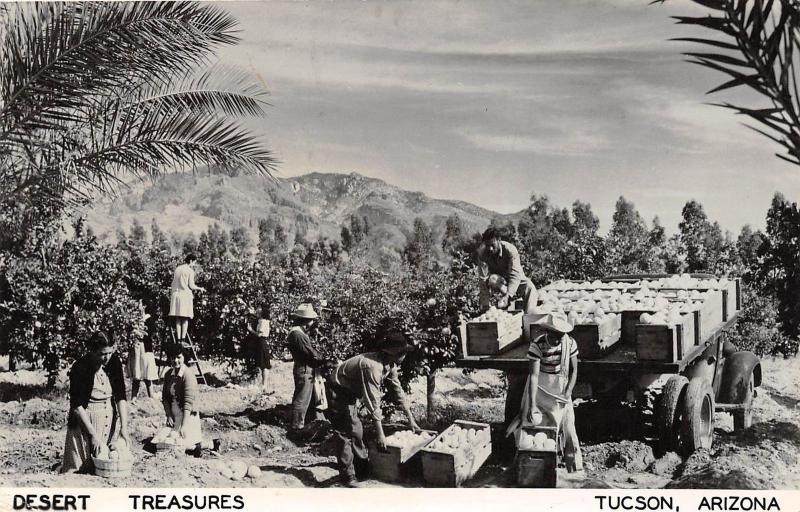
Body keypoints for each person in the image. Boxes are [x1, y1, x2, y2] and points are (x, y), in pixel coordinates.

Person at [326, 331, 422, 487]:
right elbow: (372, 401)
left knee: (356, 430)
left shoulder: (390, 365)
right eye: (403, 353)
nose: (404, 357)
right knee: (344, 432)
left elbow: (398, 392)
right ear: (394, 354)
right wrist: (381, 435)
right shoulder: (372, 367)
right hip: (337, 390)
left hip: (349, 391)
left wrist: (411, 420)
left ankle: (362, 468)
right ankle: (347, 476)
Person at [508, 312, 583, 472]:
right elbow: (534, 376)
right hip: (540, 390)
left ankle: (574, 468)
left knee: (568, 428)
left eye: (561, 334)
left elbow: (574, 370)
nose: (558, 338)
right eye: (555, 335)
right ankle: (529, 467)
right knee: (532, 427)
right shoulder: (537, 344)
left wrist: (568, 391)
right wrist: (533, 405)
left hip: (560, 391)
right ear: (548, 332)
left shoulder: (570, 343)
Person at [61, 331, 130, 474]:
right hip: (84, 425)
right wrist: (92, 436)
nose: (107, 357)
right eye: (102, 354)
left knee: (102, 465)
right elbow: (77, 406)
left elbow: (121, 396)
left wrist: (124, 427)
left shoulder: (114, 363)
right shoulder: (80, 367)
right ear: (93, 351)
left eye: (110, 352)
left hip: (106, 423)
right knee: (78, 469)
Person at [476, 227, 537, 314]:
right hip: (499, 281)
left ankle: (529, 316)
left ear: (499, 240)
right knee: (492, 279)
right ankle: (503, 304)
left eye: (492, 245)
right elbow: (483, 279)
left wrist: (508, 295)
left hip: (513, 278)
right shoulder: (483, 254)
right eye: (487, 245)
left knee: (529, 286)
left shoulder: (510, 250)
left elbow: (515, 275)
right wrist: (485, 305)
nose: (490, 248)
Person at [287, 303, 326, 432]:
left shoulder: (298, 332)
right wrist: (324, 359)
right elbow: (310, 354)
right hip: (304, 368)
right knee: (302, 398)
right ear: (306, 320)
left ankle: (300, 423)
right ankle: (296, 426)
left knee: (304, 397)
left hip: (303, 367)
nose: (313, 322)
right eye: (311, 319)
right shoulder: (298, 334)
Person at [161, 344, 203, 457]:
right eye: (173, 357)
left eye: (179, 357)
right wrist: (169, 415)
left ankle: (209, 445)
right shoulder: (168, 374)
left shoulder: (188, 375)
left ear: (184, 357)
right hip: (174, 416)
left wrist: (184, 425)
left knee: (183, 444)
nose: (175, 360)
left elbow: (188, 402)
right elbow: (165, 398)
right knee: (164, 442)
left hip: (187, 416)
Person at [168, 254, 205, 345]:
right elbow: (191, 286)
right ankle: (183, 339)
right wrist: (200, 288)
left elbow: (174, 283)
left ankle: (178, 339)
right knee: (185, 318)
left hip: (175, 295)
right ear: (191, 261)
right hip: (184, 295)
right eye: (194, 262)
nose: (194, 264)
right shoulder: (189, 271)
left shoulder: (178, 269)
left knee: (178, 318)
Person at [129, 311, 158, 400]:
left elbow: (151, 333)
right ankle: (133, 398)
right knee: (136, 375)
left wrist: (140, 334)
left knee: (147, 375)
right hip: (136, 350)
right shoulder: (133, 317)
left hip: (145, 350)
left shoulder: (148, 319)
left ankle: (151, 396)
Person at [246, 305, 272, 390]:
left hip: (261, 342)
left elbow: (259, 334)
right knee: (263, 364)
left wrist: (250, 330)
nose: (257, 310)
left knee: (264, 364)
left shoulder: (262, 321)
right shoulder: (263, 320)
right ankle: (264, 384)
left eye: (259, 310)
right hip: (261, 342)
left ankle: (264, 385)